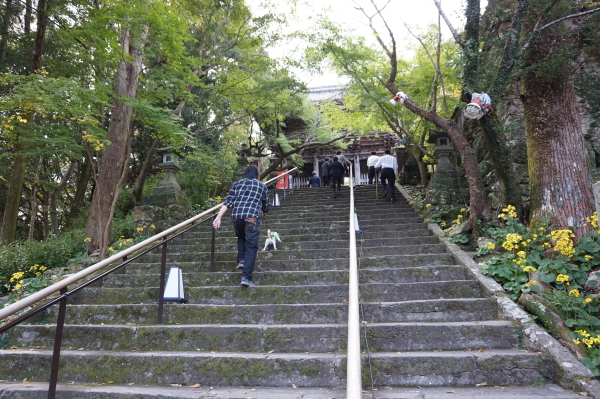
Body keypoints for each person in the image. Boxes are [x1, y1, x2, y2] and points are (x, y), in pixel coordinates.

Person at [212, 165, 269, 287]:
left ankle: (241, 260)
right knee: (251, 247)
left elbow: (227, 202)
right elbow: (266, 205)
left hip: (236, 217)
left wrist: (218, 217)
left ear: (245, 174)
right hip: (251, 217)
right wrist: (264, 210)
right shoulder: (262, 186)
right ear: (257, 175)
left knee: (241, 237)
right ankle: (246, 278)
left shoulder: (237, 184)